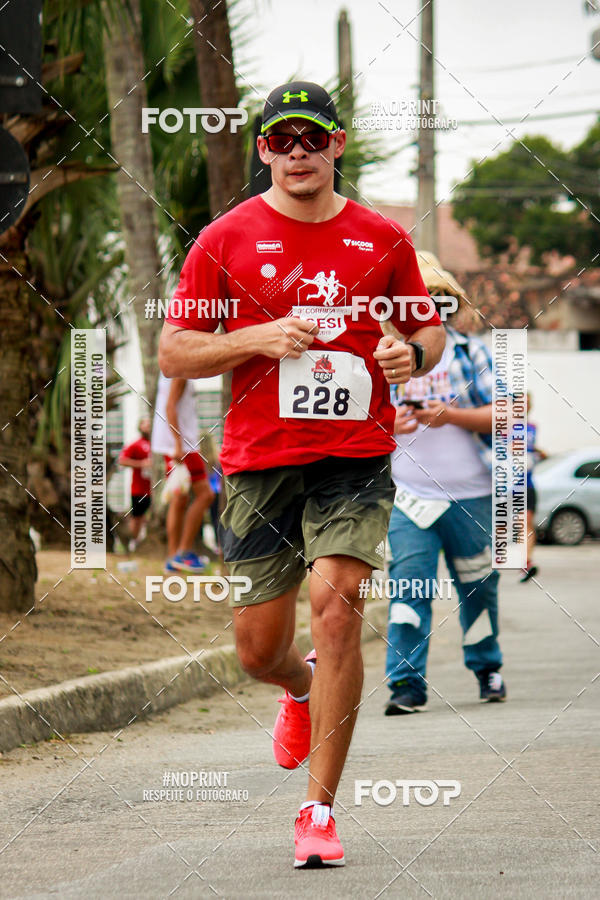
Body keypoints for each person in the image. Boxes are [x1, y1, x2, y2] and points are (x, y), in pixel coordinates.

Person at [158, 81, 445, 868]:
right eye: (280, 140)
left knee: (340, 604)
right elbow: (175, 351)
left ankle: (317, 812)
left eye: (311, 138)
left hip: (354, 454)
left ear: (337, 146)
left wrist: (408, 356)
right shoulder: (224, 239)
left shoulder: (382, 237)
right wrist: (256, 337)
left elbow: (428, 332)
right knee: (257, 649)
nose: (296, 152)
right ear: (262, 151)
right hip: (260, 460)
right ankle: (295, 685)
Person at [385, 252, 507, 716]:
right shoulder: (383, 358)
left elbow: (510, 413)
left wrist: (449, 415)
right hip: (409, 496)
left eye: (439, 299)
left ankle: (487, 669)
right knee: (409, 587)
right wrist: (388, 423)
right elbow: (358, 424)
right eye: (420, 298)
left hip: (473, 494)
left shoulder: (471, 352)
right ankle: (406, 686)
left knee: (479, 586)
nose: (430, 306)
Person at [151, 374, 214, 573]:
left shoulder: (170, 371)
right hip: (182, 446)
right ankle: (184, 553)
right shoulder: (180, 371)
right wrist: (179, 445)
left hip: (174, 444)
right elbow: (170, 408)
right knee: (206, 495)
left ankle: (173, 557)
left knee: (179, 499)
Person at [520, 392, 546, 582]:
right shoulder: (507, 427)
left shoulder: (533, 428)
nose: (526, 405)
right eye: (522, 402)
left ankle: (526, 563)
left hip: (527, 484)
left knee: (526, 522)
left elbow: (530, 448)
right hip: (508, 485)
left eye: (528, 402)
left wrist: (539, 453)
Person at [118, 417, 152, 552]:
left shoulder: (157, 445)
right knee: (137, 517)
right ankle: (132, 544)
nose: (148, 426)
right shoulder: (136, 444)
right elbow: (122, 460)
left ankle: (144, 542)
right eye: (145, 423)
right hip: (138, 489)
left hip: (154, 489)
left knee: (150, 518)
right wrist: (140, 464)